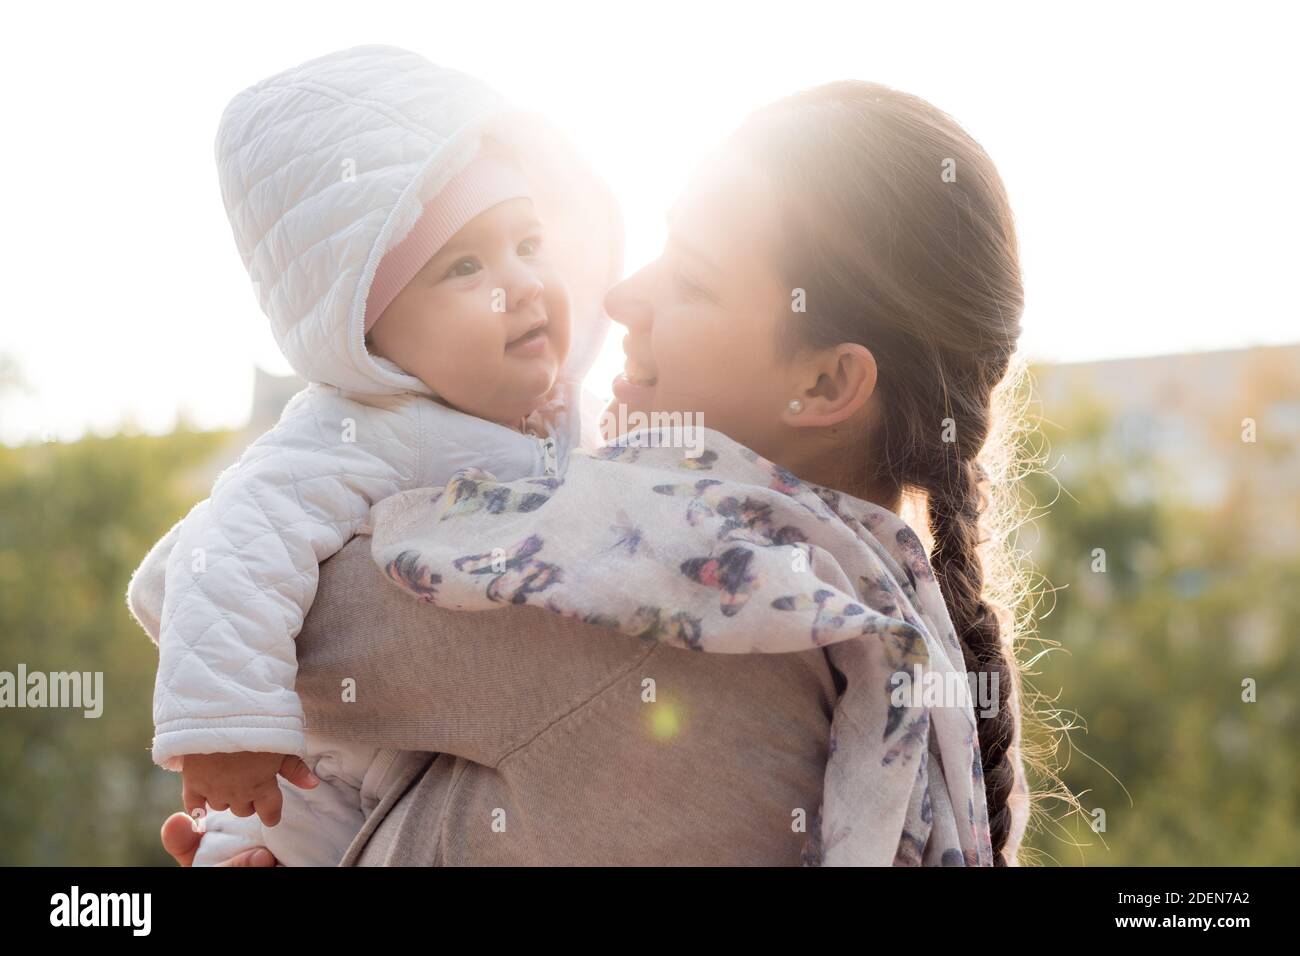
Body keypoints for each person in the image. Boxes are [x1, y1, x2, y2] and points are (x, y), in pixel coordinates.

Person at [160, 74, 1034, 867]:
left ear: (827, 381)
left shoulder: (628, 601)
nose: (619, 298)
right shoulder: (882, 644)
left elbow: (215, 584)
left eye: (690, 281)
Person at [126, 45, 621, 865]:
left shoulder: (581, 418)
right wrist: (227, 730)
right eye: (465, 266)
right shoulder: (364, 426)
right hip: (315, 779)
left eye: (529, 243)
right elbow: (234, 543)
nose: (523, 283)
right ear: (366, 326)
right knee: (278, 840)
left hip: (454, 767)